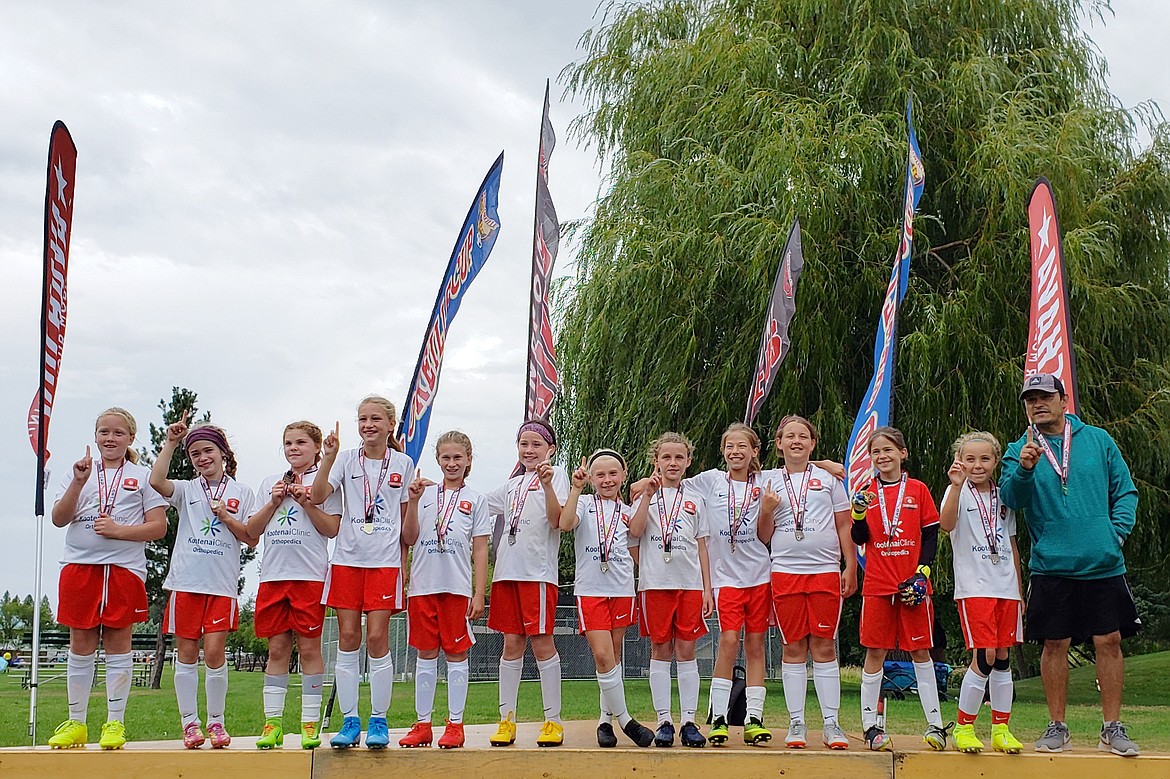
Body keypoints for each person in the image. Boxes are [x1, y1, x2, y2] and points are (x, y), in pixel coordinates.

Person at [1000, 373, 1141, 757]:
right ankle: (1057, 726)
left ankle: (1111, 727)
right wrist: (1025, 468)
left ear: (1064, 401)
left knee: (1109, 641)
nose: (1038, 404)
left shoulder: (1097, 440)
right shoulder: (1020, 448)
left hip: (1102, 562)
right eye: (1031, 399)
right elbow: (1011, 499)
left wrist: (1116, 534)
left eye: (1046, 396)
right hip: (1051, 564)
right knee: (1054, 642)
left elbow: (1125, 491)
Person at [48, 408, 168, 750]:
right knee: (80, 645)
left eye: (117, 433)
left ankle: (115, 723)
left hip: (123, 570)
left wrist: (119, 531)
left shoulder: (142, 476)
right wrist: (77, 482)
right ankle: (77, 722)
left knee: (119, 645)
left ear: (130, 438)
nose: (110, 439)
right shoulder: (80, 472)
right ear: (95, 435)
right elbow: (59, 518)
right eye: (104, 432)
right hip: (78, 567)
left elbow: (158, 527)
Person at [311, 396, 416, 749]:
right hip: (347, 562)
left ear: (390, 424)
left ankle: (379, 720)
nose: (368, 425)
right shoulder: (344, 460)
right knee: (348, 638)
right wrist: (327, 456)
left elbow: (405, 524)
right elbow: (318, 494)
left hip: (384, 564)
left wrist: (405, 565)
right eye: (362, 419)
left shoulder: (403, 462)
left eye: (375, 419)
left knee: (377, 640)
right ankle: (350, 720)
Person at [150, 417, 257, 749]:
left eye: (208, 450)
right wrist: (170, 442)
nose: (202, 458)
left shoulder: (243, 492)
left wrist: (226, 515)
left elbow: (250, 537)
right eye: (195, 453)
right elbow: (156, 481)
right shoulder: (186, 489)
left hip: (221, 586)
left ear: (222, 452)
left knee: (213, 653)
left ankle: (216, 722)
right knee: (185, 652)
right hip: (186, 582)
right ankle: (189, 724)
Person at [757, 415, 856, 751]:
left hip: (826, 570)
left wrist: (851, 565)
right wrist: (767, 510)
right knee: (793, 646)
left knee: (824, 646)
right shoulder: (768, 480)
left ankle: (831, 724)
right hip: (784, 571)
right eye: (789, 437)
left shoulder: (829, 480)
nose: (796, 441)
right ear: (779, 444)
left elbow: (845, 526)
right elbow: (762, 535)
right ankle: (796, 721)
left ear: (812, 443)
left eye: (803, 437)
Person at [850, 426, 951, 752]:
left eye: (888, 450)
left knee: (921, 652)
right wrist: (858, 513)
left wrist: (923, 572)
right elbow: (859, 539)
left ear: (902, 454)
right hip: (878, 584)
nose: (882, 456)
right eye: (876, 452)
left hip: (913, 585)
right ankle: (870, 727)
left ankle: (935, 725)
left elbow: (932, 533)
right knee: (875, 651)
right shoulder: (866, 490)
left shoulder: (918, 490)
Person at [247, 421, 342, 750]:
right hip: (273, 577)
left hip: (310, 578)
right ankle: (272, 723)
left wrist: (306, 503)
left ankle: (309, 724)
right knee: (277, 650)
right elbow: (251, 532)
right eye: (288, 443)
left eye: (301, 442)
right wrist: (273, 502)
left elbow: (331, 529)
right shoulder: (268, 483)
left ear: (317, 447)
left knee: (310, 650)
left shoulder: (324, 485)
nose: (293, 448)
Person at [398, 431, 490, 750]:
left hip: (456, 587)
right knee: (425, 652)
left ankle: (455, 724)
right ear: (437, 460)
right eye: (445, 458)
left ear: (468, 461)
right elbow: (408, 537)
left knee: (455, 652)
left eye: (457, 458)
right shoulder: (422, 493)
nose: (451, 463)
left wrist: (479, 593)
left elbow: (480, 549)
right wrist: (411, 501)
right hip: (423, 586)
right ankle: (423, 724)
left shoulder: (476, 500)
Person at [689, 422, 779, 746]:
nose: (735, 452)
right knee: (728, 641)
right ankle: (718, 716)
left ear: (755, 451)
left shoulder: (767, 482)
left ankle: (754, 717)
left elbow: (802, 471)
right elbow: (672, 482)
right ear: (723, 450)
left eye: (742, 446)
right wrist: (645, 484)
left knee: (755, 645)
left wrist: (830, 466)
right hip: (725, 578)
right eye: (730, 446)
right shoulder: (711, 481)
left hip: (759, 576)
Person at [484, 419, 568, 747]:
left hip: (537, 574)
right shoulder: (512, 485)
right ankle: (506, 719)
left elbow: (557, 519)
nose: (529, 450)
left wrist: (547, 485)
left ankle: (553, 721)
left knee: (543, 644)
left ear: (550, 449)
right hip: (506, 573)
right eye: (524, 444)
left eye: (536, 445)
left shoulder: (556, 474)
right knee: (511, 645)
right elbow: (476, 504)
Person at [563, 449, 655, 749]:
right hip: (591, 589)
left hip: (621, 589)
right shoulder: (585, 504)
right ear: (590, 477)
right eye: (599, 474)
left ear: (623, 475)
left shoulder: (627, 511)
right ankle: (627, 720)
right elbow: (565, 523)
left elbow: (638, 531)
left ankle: (605, 721)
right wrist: (576, 488)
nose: (606, 480)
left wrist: (647, 497)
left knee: (613, 658)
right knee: (602, 656)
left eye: (613, 474)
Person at [940, 431, 1024, 755]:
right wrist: (956, 484)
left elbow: (1011, 544)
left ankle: (1001, 729)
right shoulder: (957, 491)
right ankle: (964, 727)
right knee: (984, 654)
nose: (977, 465)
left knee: (1002, 656)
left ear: (995, 461)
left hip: (1005, 587)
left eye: (984, 459)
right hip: (975, 587)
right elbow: (945, 524)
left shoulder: (1005, 496)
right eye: (970, 459)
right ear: (960, 461)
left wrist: (1018, 589)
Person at [627, 432, 713, 749]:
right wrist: (647, 496)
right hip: (655, 586)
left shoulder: (696, 500)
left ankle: (689, 722)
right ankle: (664, 720)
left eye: (679, 457)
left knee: (687, 651)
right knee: (661, 649)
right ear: (656, 461)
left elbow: (702, 546)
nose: (672, 463)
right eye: (666, 457)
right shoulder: (643, 499)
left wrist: (707, 588)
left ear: (688, 462)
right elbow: (634, 536)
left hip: (689, 585)